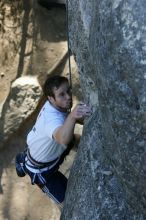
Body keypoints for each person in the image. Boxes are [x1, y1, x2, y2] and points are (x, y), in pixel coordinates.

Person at [24, 75, 91, 207]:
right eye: (62, 94)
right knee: (69, 204)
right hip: (42, 171)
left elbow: (69, 123)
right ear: (50, 98)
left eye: (68, 91)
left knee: (74, 137)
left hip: (50, 152)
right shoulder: (51, 119)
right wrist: (73, 116)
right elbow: (63, 139)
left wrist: (78, 116)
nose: (68, 97)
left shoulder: (56, 105)